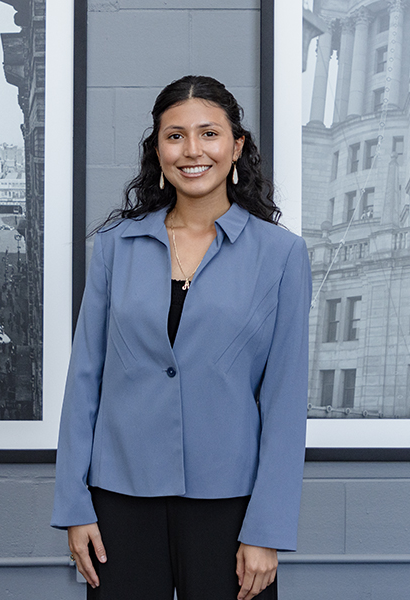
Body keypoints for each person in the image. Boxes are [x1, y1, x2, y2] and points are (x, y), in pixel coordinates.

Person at [51, 75, 311, 600]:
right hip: (119, 501)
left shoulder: (281, 255)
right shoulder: (115, 247)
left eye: (209, 133)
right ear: (157, 150)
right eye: (175, 136)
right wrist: (74, 506)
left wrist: (268, 528)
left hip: (231, 505)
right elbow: (85, 382)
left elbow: (284, 401)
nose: (192, 151)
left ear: (236, 146)